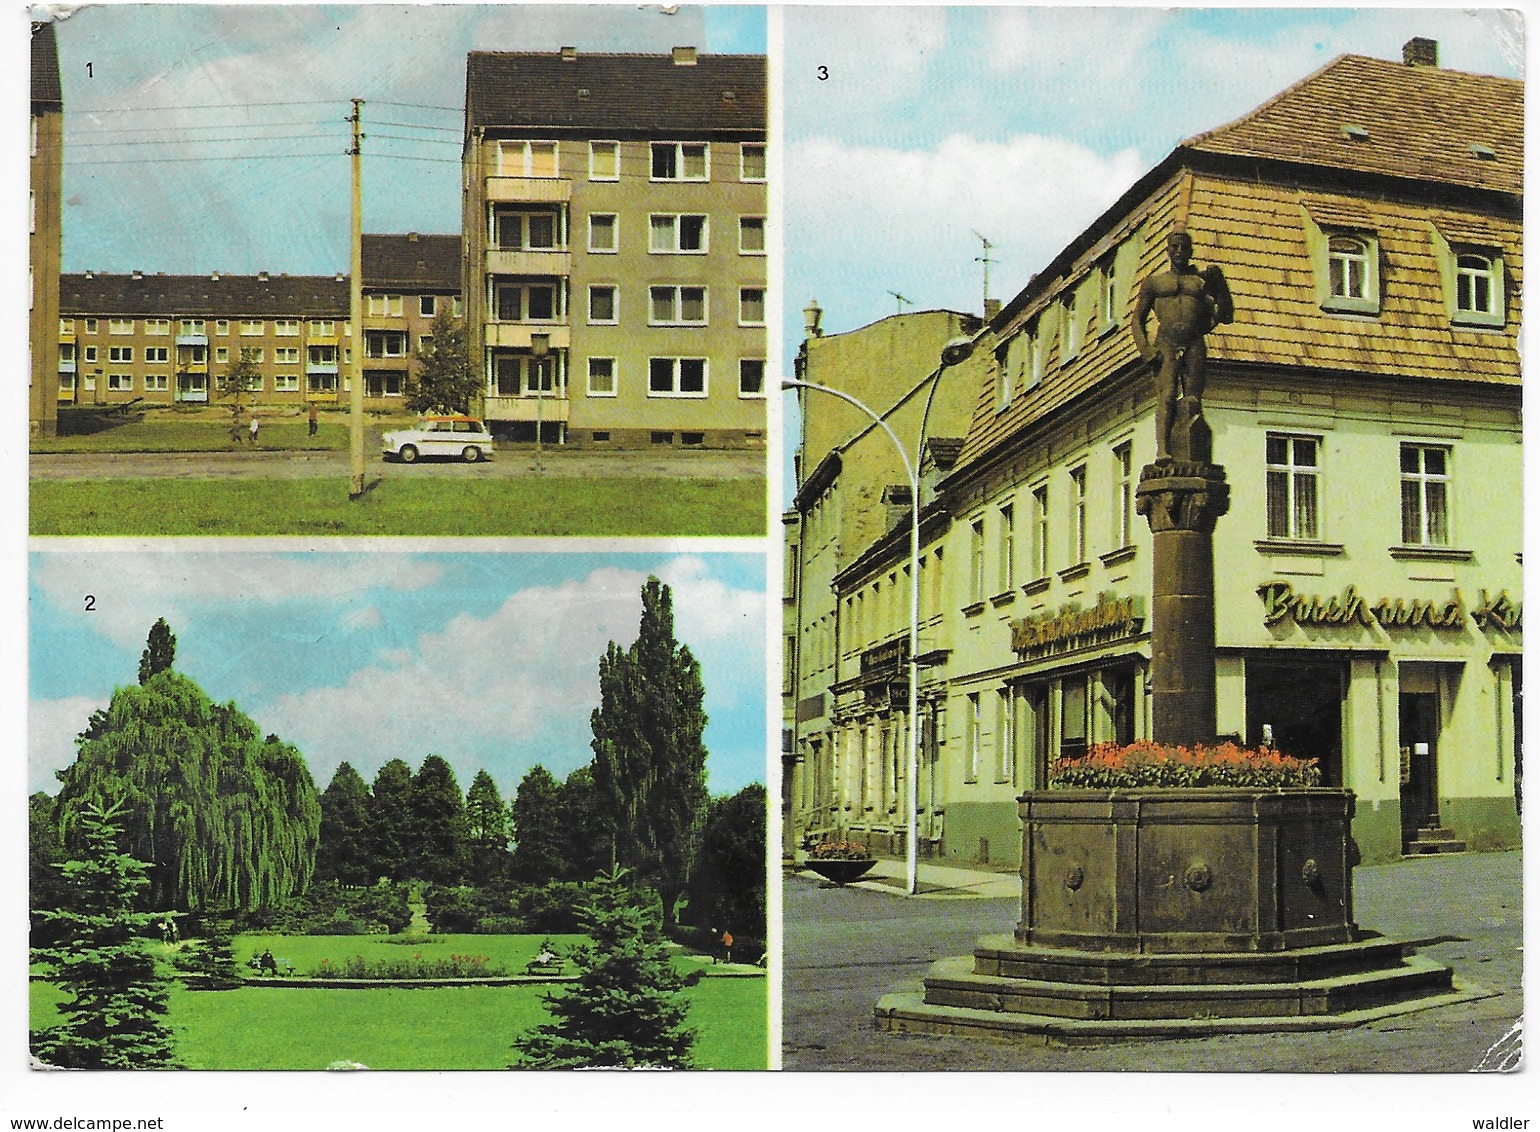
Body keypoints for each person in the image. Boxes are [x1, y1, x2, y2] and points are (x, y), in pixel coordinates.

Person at [1130, 230, 1233, 463]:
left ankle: (1190, 451)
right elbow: (1137, 319)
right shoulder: (1155, 282)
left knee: (1193, 400)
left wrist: (1221, 287)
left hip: (1194, 340)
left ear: (1190, 251)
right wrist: (1145, 350)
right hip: (1166, 341)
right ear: (1167, 250)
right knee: (1166, 397)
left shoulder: (1200, 282)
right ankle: (1163, 450)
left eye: (1183, 248)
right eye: (1174, 247)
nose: (1179, 252)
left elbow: (1224, 315)